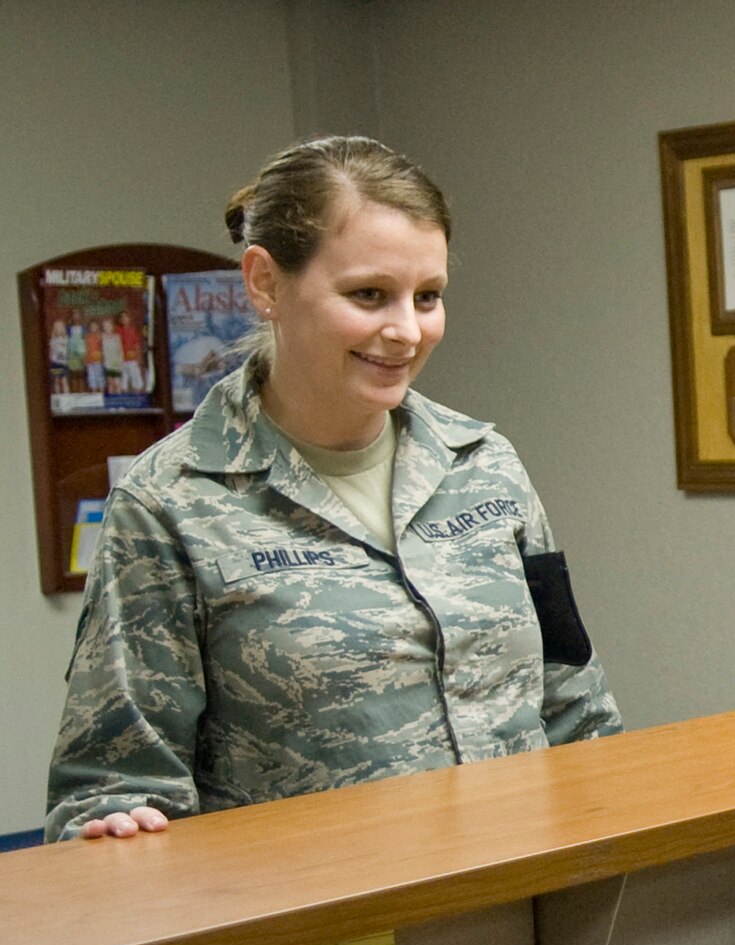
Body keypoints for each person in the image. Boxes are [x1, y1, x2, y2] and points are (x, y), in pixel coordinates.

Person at [46, 136, 620, 842]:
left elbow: (576, 708)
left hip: (521, 899)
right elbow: (112, 782)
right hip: (320, 931)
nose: (407, 330)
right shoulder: (171, 504)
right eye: (369, 294)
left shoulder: (484, 466)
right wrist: (115, 829)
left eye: (429, 297)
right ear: (264, 284)